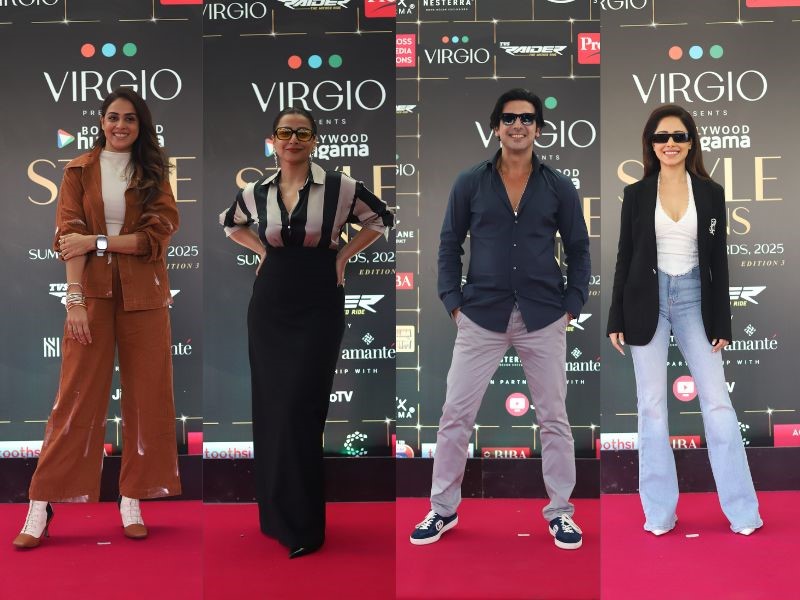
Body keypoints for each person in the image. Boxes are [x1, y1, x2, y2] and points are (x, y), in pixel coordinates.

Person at [410, 89, 591, 550]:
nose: (518, 125)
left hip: (543, 316)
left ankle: (561, 513)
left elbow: (579, 248)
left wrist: (572, 304)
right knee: (455, 415)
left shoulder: (558, 186)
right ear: (495, 127)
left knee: (554, 418)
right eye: (509, 118)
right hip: (481, 314)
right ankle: (442, 509)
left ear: (538, 128)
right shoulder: (469, 182)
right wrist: (453, 301)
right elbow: (449, 244)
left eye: (527, 119)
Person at [219, 106, 393, 558]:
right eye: (284, 132)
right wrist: (262, 251)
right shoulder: (256, 191)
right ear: (273, 141)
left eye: (302, 132)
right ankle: (276, 517)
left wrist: (342, 256)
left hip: (319, 296)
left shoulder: (341, 187)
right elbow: (230, 223)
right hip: (271, 301)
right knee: (272, 407)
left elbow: (380, 219)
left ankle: (304, 526)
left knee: (301, 406)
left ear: (314, 140)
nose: (293, 139)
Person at [13, 88, 182, 549]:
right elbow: (69, 237)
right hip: (91, 294)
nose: (120, 125)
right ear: (102, 122)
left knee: (148, 399)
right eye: (113, 117)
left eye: (130, 118)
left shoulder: (153, 173)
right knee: (74, 397)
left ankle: (132, 498)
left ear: (141, 126)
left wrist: (98, 242)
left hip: (145, 297)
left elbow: (155, 237)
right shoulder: (78, 169)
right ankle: (41, 503)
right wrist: (75, 301)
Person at [606, 104, 762, 536]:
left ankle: (743, 512)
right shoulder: (636, 194)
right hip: (646, 299)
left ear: (691, 142)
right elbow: (624, 257)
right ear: (651, 144)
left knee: (718, 402)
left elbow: (719, 260)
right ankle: (659, 514)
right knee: (651, 407)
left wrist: (722, 322)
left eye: (678, 136)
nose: (670, 143)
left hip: (695, 296)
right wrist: (616, 315)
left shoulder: (710, 192)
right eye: (661, 137)